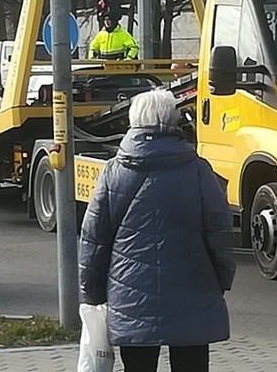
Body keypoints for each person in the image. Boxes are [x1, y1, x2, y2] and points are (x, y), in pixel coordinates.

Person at [79, 89, 235, 372]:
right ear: (173, 122)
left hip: (130, 297)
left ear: (133, 121)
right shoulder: (199, 170)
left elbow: (95, 237)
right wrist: (222, 278)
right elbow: (220, 230)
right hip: (193, 293)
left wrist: (91, 290)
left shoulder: (115, 171)